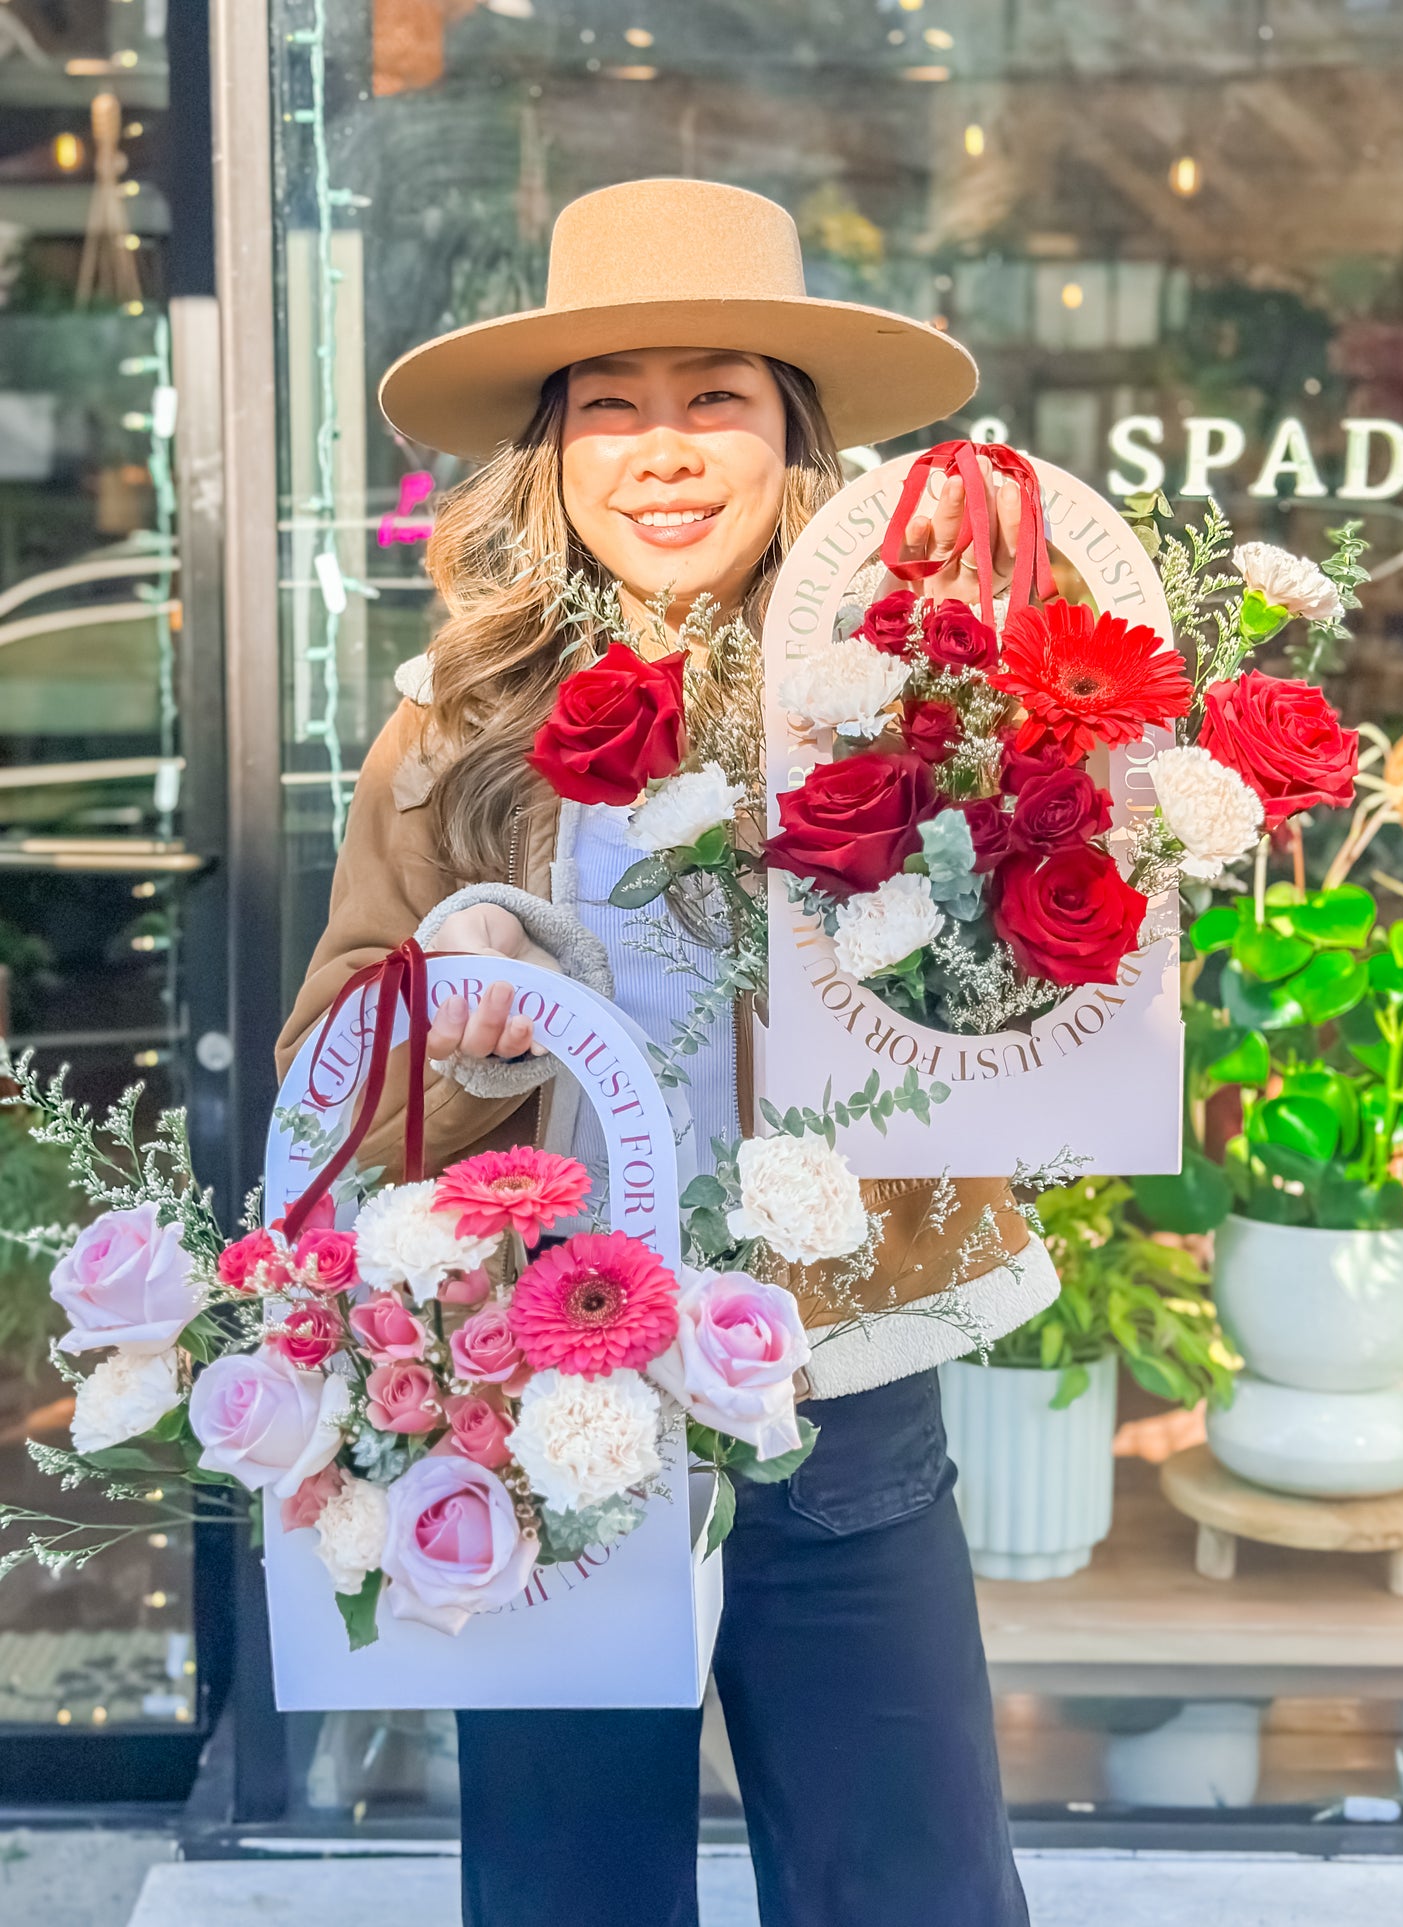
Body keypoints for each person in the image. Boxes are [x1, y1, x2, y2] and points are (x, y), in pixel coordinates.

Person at [278, 178, 1057, 1927]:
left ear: (793, 433)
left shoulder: (914, 695)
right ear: (552, 454)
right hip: (542, 1390)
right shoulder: (455, 719)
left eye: (716, 393)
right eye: (609, 403)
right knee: (567, 1892)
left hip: (838, 1379)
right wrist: (455, 981)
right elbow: (326, 1076)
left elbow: (1039, 996)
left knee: (910, 1885)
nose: (664, 445)